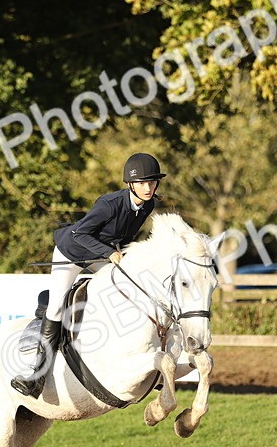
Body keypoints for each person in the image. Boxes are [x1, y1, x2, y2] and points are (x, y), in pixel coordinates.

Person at [10, 152, 167, 397]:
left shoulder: (148, 205)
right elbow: (79, 234)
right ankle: (36, 375)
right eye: (142, 183)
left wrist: (123, 255)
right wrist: (110, 253)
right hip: (71, 252)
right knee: (56, 308)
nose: (148, 187)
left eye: (152, 182)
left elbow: (125, 238)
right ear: (130, 184)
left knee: (128, 290)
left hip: (100, 255)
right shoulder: (109, 204)